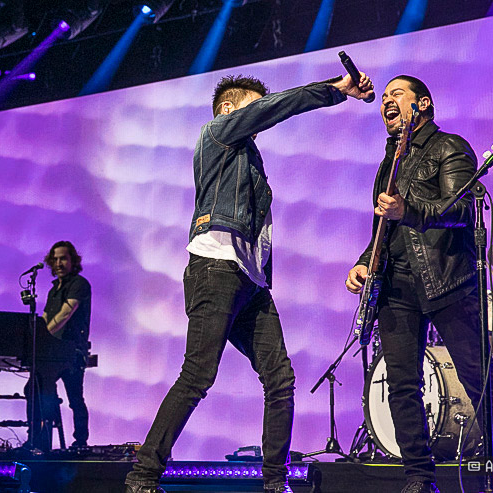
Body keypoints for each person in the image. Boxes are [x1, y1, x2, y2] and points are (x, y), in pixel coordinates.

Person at [124, 72, 374, 493]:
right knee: (198, 374)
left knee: (280, 379)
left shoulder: (246, 155)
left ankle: (275, 483)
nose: (261, 115)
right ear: (228, 109)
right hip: (216, 267)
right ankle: (143, 476)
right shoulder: (218, 132)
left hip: (250, 281)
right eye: (254, 106)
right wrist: (334, 90)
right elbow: (278, 107)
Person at [345, 76, 493, 493]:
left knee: (478, 377)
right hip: (396, 287)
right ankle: (419, 477)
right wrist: (364, 262)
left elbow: (459, 209)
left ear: (422, 103)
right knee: (402, 385)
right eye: (384, 97)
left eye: (396, 93)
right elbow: (384, 229)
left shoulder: (448, 147)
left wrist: (408, 209)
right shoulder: (390, 161)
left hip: (447, 280)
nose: (386, 100)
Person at [24, 240, 91, 452]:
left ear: (73, 261)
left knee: (75, 399)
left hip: (71, 351)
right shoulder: (53, 290)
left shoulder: (79, 284)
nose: (59, 263)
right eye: (55, 259)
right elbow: (46, 317)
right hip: (51, 353)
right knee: (33, 389)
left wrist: (43, 336)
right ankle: (36, 439)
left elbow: (65, 314)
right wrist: (34, 336)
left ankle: (80, 442)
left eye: (63, 258)